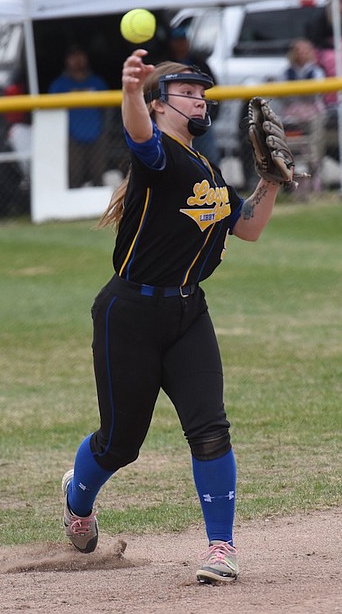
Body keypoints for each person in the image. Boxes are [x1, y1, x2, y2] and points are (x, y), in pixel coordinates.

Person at [60, 49, 284, 586]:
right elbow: (138, 135)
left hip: (188, 313)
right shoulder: (157, 156)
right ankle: (77, 497)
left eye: (203, 93)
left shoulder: (206, 169)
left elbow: (247, 228)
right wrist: (131, 91)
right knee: (120, 443)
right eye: (188, 93)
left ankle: (221, 548)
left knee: (210, 428)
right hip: (129, 314)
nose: (201, 100)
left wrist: (271, 180)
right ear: (160, 106)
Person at [48, 45, 110, 187]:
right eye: (73, 57)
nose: (77, 60)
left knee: (98, 174)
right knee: (73, 176)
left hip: (97, 134)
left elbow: (107, 110)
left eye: (80, 56)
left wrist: (104, 130)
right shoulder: (59, 85)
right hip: (70, 137)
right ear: (66, 60)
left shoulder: (97, 83)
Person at [166, 25, 221, 165]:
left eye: (183, 40)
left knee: (210, 161)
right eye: (177, 40)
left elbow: (215, 90)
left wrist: (210, 116)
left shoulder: (199, 63)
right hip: (176, 123)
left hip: (200, 121)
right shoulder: (167, 65)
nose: (181, 44)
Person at [278, 38, 327, 194]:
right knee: (294, 149)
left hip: (312, 112)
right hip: (292, 113)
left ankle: (316, 181)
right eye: (298, 50)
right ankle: (296, 184)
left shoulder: (315, 71)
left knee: (313, 149)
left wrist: (300, 92)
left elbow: (316, 93)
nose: (301, 54)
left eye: (305, 50)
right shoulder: (286, 72)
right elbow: (284, 95)